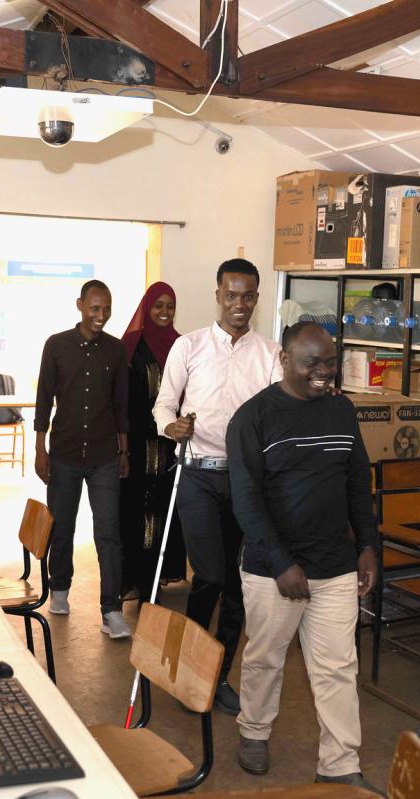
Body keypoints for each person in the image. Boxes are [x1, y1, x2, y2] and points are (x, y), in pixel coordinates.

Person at [226, 321, 380, 792]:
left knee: (337, 667)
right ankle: (254, 732)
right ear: (284, 360)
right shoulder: (252, 418)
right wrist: (280, 564)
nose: (323, 372)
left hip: (335, 566)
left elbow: (357, 483)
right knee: (265, 659)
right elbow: (246, 502)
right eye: (312, 362)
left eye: (330, 362)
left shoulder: (341, 410)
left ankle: (339, 762)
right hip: (273, 570)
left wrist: (368, 545)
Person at [153, 258, 281, 715]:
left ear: (257, 299)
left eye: (247, 296)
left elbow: (277, 417)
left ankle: (215, 675)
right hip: (197, 474)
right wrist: (171, 429)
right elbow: (163, 406)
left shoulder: (270, 354)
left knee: (236, 584)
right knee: (210, 573)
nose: (239, 304)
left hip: (246, 481)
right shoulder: (188, 347)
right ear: (217, 295)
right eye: (231, 295)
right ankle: (189, 665)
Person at [34, 279, 132, 639]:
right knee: (61, 526)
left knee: (109, 533)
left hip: (106, 453)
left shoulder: (116, 351)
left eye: (106, 309)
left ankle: (112, 611)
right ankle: (59, 589)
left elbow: (121, 404)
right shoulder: (57, 346)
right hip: (65, 453)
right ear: (80, 305)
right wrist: (39, 447)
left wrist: (124, 450)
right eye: (95, 308)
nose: (101, 316)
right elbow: (44, 398)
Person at [118, 282, 187, 597]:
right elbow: (119, 400)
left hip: (169, 446)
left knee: (165, 510)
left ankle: (155, 576)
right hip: (136, 445)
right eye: (157, 305)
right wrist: (123, 447)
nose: (164, 312)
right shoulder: (131, 346)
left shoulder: (181, 345)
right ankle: (134, 576)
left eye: (169, 306)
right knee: (134, 510)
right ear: (146, 308)